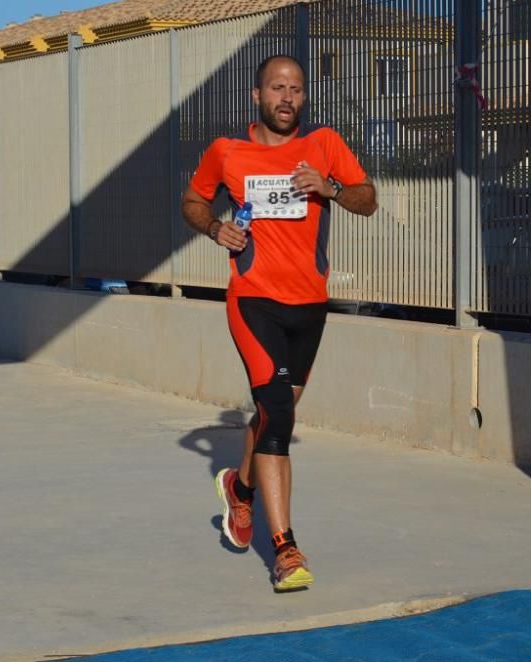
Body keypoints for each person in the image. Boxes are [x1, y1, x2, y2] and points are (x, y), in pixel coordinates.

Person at [181, 54, 377, 592]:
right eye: (276, 88)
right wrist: (216, 228)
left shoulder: (325, 146)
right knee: (279, 415)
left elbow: (368, 201)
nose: (286, 97)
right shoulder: (227, 152)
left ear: (304, 97)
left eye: (295, 89)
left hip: (310, 306)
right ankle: (286, 549)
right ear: (257, 96)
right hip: (253, 301)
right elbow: (193, 200)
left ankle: (239, 490)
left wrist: (330, 189)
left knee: (275, 412)